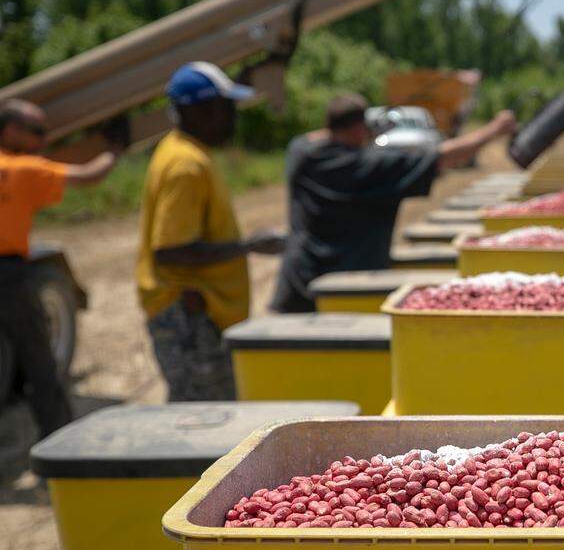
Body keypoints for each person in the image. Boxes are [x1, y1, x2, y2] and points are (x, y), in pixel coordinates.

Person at [269, 94, 517, 312]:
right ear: (358, 128)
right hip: (351, 288)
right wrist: (494, 129)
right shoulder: (368, 167)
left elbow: (311, 138)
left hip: (298, 283)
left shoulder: (301, 153)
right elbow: (443, 157)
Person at [136, 62, 284, 402]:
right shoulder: (186, 165)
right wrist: (249, 245)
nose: (233, 116)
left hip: (197, 312)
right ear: (199, 111)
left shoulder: (186, 151)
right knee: (203, 418)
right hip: (189, 314)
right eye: (225, 107)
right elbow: (171, 249)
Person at [0, 99, 121, 435]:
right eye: (37, 131)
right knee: (39, 363)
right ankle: (61, 442)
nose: (44, 140)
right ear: (11, 130)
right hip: (7, 277)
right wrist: (114, 147)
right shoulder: (21, 168)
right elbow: (89, 175)